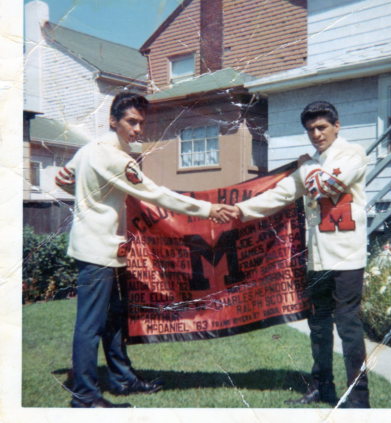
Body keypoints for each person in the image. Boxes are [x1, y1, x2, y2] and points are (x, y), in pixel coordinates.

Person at [55, 92, 237, 408]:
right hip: (98, 252)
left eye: (141, 123)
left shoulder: (88, 150)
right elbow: (157, 194)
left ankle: (122, 379)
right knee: (90, 326)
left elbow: (64, 179)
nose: (138, 129)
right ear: (113, 120)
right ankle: (84, 396)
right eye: (131, 121)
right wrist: (208, 210)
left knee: (112, 321)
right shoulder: (114, 157)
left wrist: (79, 190)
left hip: (101, 249)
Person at [233, 101, 370, 408]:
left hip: (347, 256)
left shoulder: (352, 153)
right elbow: (280, 194)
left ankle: (358, 401)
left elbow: (324, 185)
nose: (316, 134)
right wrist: (239, 209)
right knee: (319, 328)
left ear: (337, 126)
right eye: (311, 129)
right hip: (318, 257)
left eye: (322, 127)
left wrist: (305, 164)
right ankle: (323, 388)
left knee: (348, 328)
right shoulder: (313, 161)